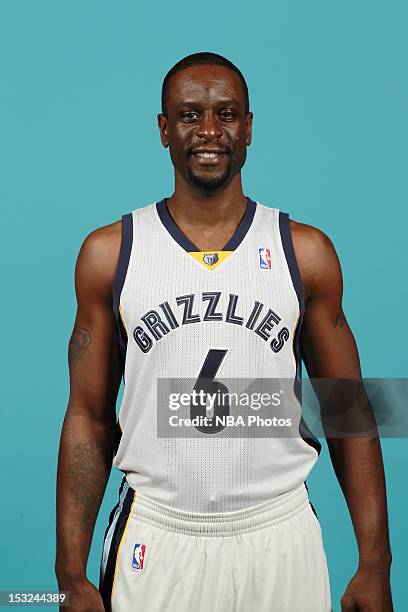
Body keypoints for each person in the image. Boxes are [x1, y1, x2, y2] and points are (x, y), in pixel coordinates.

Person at [55, 52, 393, 611]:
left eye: (227, 114)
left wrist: (375, 563)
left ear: (249, 128)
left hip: (280, 530)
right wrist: (70, 573)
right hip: (156, 533)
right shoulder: (110, 253)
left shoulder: (304, 253)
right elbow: (88, 416)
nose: (209, 131)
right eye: (189, 115)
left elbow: (347, 410)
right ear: (164, 130)